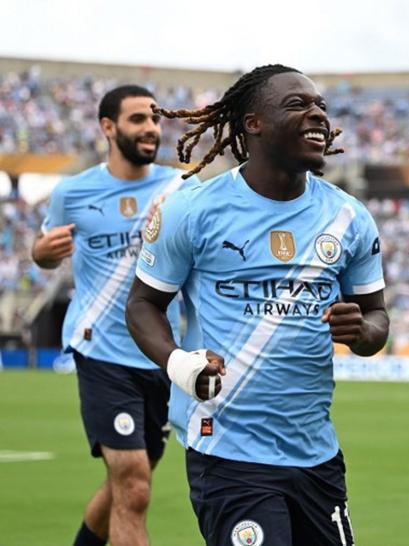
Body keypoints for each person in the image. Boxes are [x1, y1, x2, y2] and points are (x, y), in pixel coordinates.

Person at [125, 64, 389, 546]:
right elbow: (143, 304)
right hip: (229, 452)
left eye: (321, 108)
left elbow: (377, 320)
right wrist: (177, 361)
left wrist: (363, 332)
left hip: (316, 455)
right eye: (298, 105)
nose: (317, 115)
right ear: (253, 123)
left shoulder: (350, 217)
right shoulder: (192, 209)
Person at [32, 85, 192, 546]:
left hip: (161, 355)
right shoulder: (72, 192)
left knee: (127, 486)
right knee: (134, 486)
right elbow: (45, 251)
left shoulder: (181, 187)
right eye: (138, 119)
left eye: (155, 119)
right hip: (100, 350)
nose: (151, 129)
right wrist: (41, 252)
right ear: (108, 127)